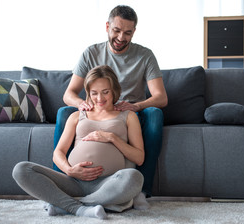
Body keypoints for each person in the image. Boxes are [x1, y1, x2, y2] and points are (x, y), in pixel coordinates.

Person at [54, 5, 168, 204]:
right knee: (65, 113)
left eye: (128, 33)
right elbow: (69, 94)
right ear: (107, 26)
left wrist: (137, 106)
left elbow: (161, 97)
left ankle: (142, 190)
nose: (121, 37)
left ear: (134, 32)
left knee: (155, 114)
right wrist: (83, 104)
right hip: (95, 110)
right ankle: (61, 185)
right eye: (116, 30)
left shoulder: (145, 55)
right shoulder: (90, 53)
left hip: (128, 112)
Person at [13, 65, 147, 219]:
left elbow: (139, 157)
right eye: (94, 93)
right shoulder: (77, 116)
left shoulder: (128, 116)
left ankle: (66, 205)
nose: (100, 99)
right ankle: (86, 207)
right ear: (88, 93)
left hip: (109, 182)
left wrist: (111, 137)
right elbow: (58, 152)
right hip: (74, 181)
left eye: (106, 92)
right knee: (21, 169)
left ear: (114, 91)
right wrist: (69, 170)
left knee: (134, 178)